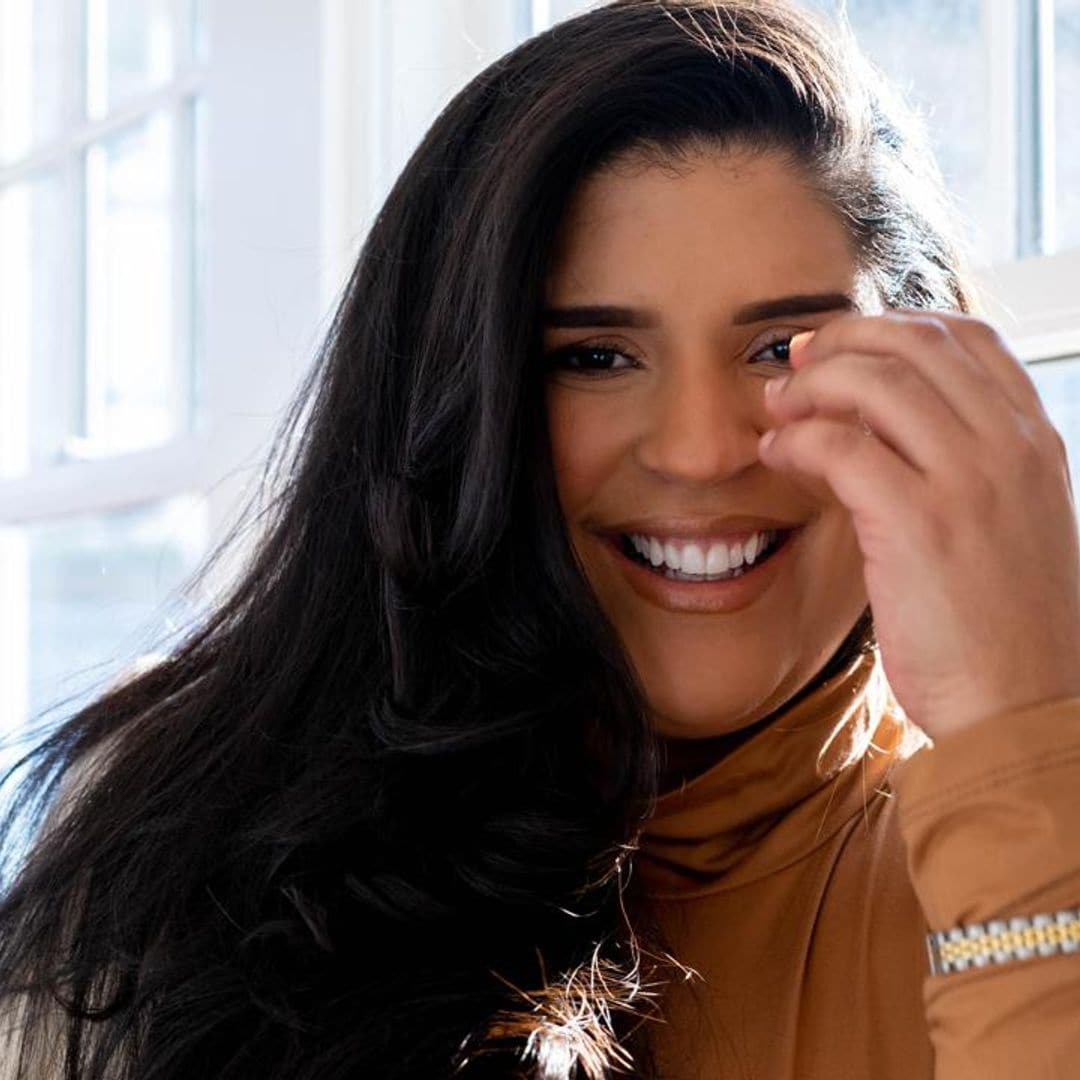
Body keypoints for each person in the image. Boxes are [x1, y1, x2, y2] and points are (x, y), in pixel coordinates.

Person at [1, 1, 1078, 1076]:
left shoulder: (1028, 853)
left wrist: (1023, 736)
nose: (702, 452)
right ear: (450, 406)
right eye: (595, 357)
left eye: (783, 347)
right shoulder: (169, 843)